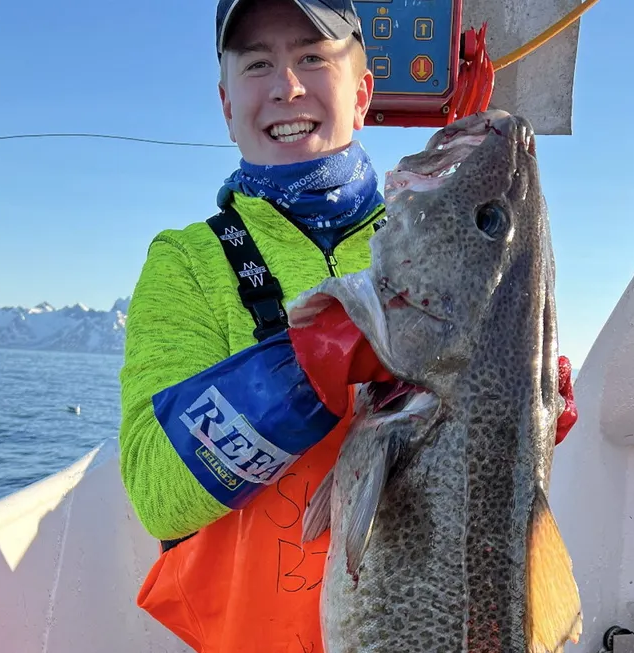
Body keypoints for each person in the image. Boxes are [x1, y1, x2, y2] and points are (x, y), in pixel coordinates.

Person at [117, 1, 579, 651]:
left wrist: (526, 416)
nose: (287, 85)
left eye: (312, 56)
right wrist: (307, 368)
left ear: (362, 93)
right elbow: (155, 488)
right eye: (258, 63)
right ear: (226, 105)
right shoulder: (188, 263)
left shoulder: (414, 246)